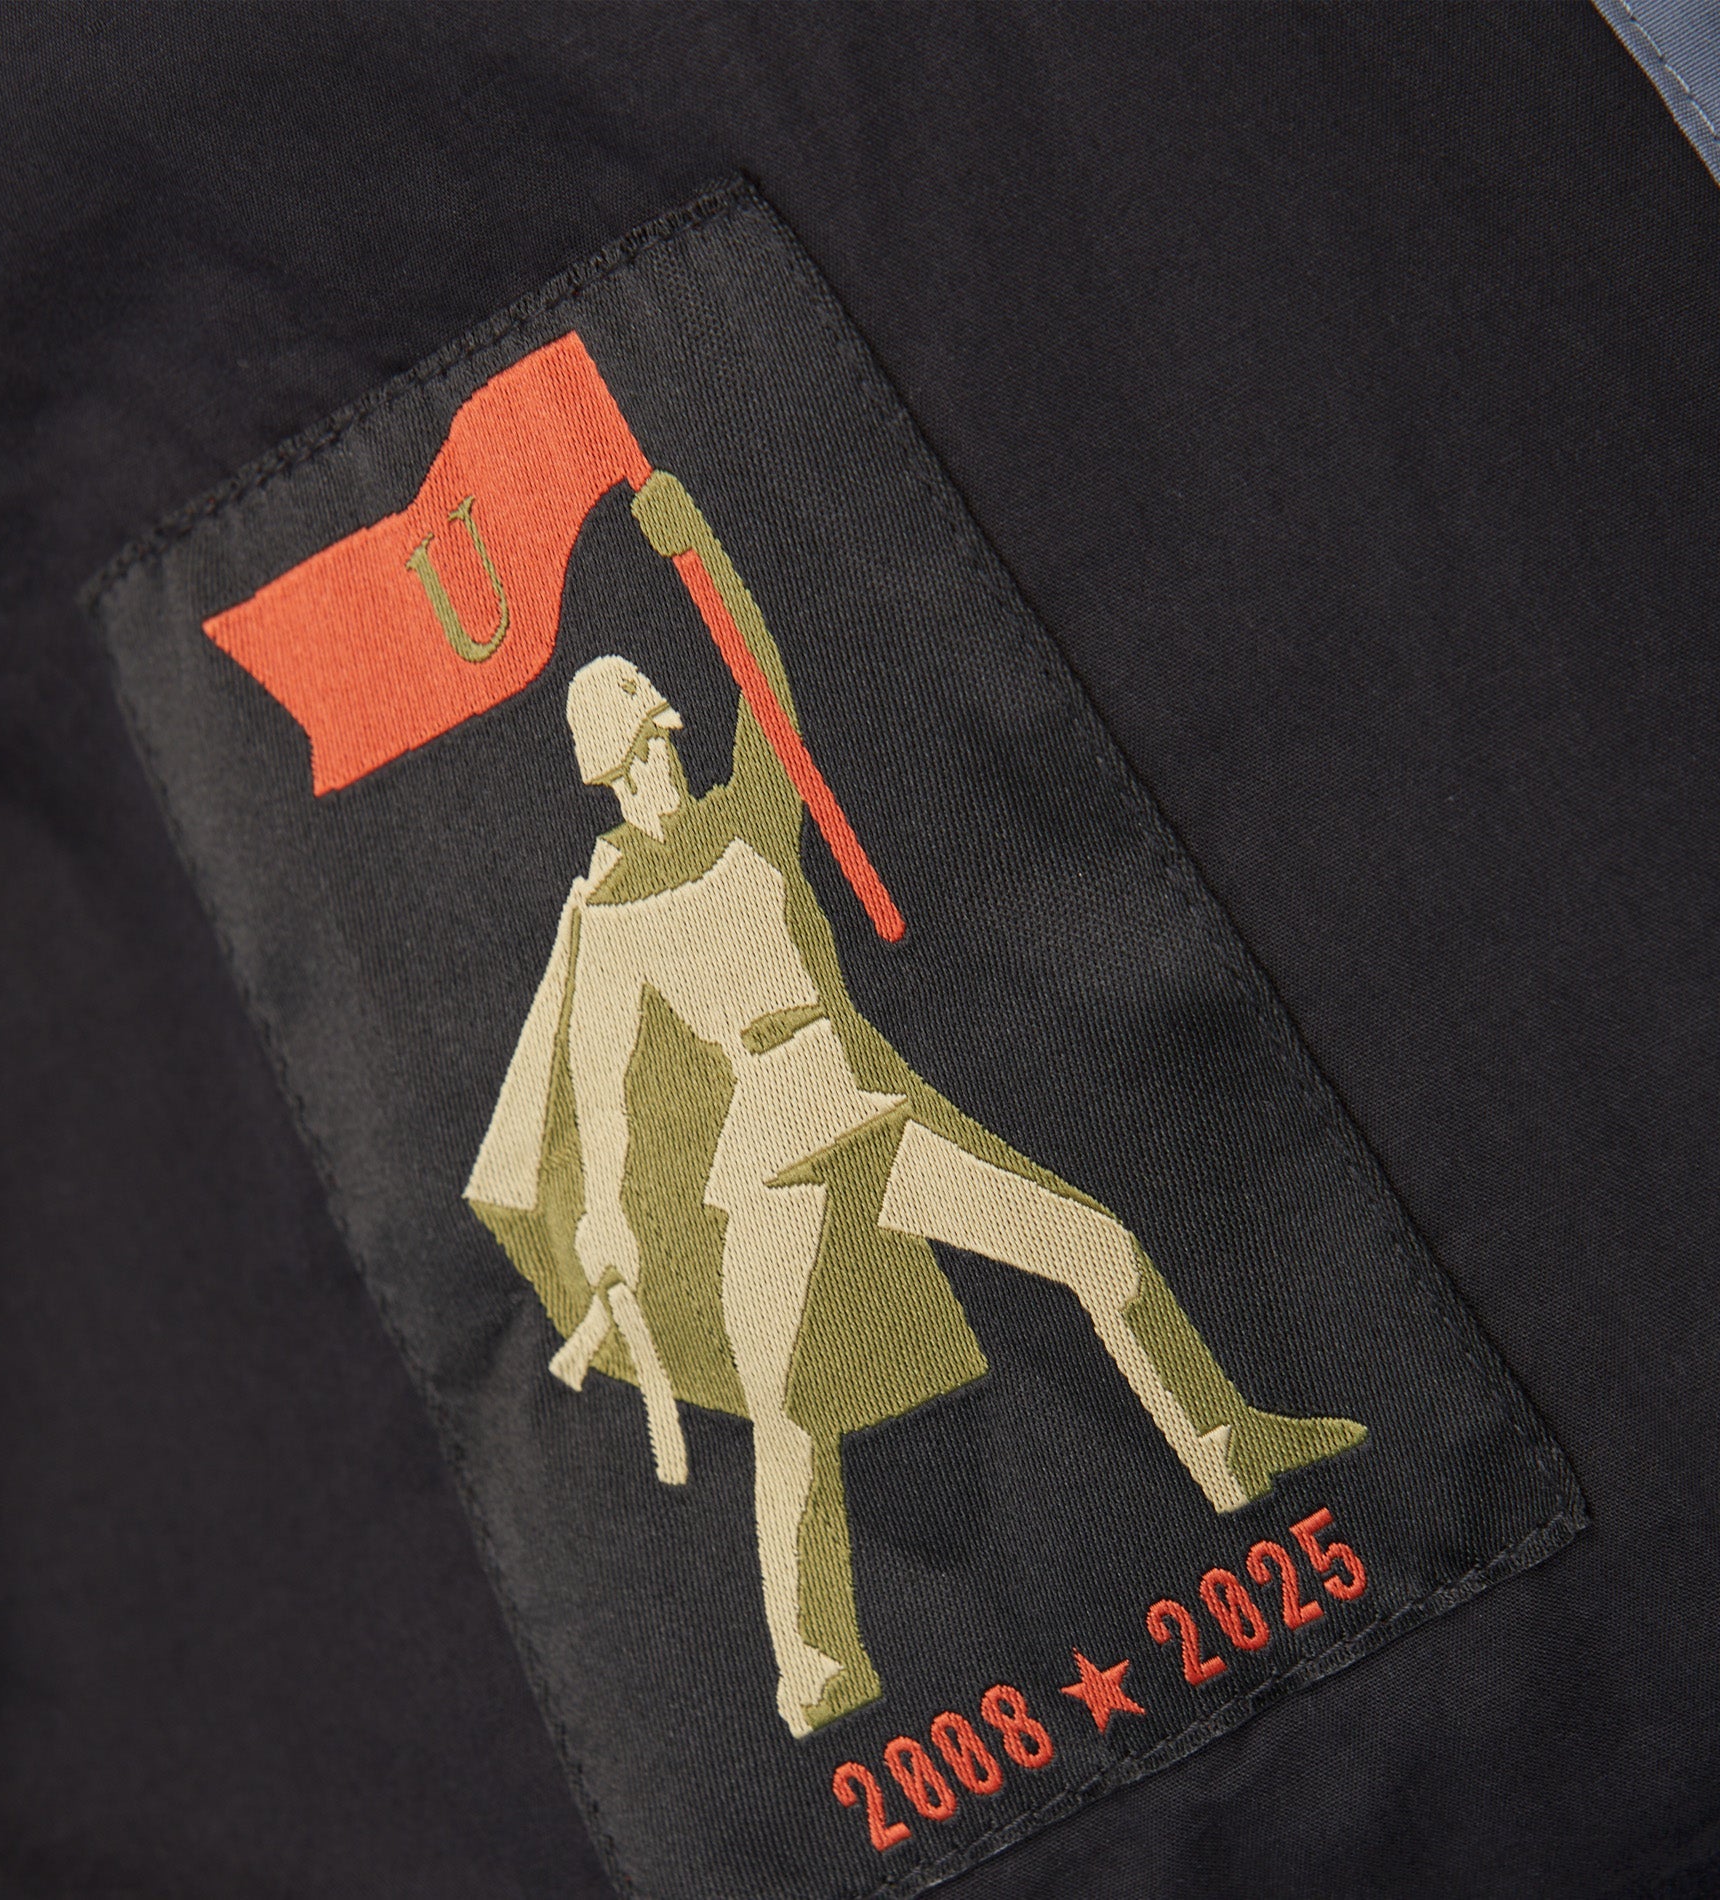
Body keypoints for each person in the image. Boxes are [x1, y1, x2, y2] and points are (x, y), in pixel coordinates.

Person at [465, 486, 1365, 1738]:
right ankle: (811, 1674)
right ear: (609, 759)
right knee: (787, 1417)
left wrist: (694, 544)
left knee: (1094, 1249)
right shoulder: (609, 917)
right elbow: (606, 1094)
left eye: (652, 716)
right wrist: (608, 1221)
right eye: (633, 724)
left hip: (858, 1108)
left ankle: (1227, 1450)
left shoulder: (752, 816)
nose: (654, 738)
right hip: (766, 1155)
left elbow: (763, 679)